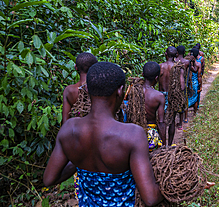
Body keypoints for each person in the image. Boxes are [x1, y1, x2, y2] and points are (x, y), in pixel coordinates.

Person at [44, 62, 164, 206]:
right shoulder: (133, 135)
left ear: (87, 89)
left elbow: (49, 179)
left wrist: (78, 160)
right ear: (120, 91)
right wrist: (170, 184)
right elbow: (150, 198)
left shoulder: (69, 129)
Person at [62, 52, 97, 124]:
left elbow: (65, 122)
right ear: (95, 68)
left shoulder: (69, 90)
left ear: (76, 67)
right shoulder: (100, 87)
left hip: (78, 131)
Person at [143, 61, 167, 149]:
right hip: (150, 134)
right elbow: (161, 122)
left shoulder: (133, 91)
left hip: (133, 131)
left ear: (142, 74)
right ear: (156, 78)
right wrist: (164, 145)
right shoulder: (159, 96)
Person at [175, 45, 197, 129]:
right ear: (184, 52)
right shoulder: (187, 62)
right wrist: (193, 62)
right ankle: (182, 121)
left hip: (174, 85)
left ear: (177, 52)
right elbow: (194, 70)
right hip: (184, 85)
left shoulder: (174, 61)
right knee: (183, 102)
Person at [185, 48, 202, 122]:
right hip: (194, 84)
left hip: (187, 83)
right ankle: (194, 113)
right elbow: (199, 76)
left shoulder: (186, 63)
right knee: (195, 99)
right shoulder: (198, 64)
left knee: (186, 98)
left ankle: (185, 117)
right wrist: (200, 86)